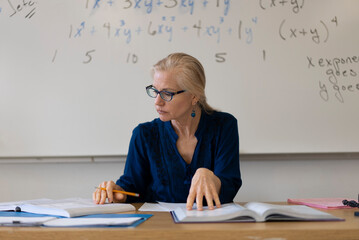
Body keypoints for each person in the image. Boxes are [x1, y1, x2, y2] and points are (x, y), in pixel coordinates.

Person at [93, 53, 242, 210]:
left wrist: (211, 178)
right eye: (155, 91)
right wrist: (118, 192)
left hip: (209, 225)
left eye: (167, 93)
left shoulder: (224, 125)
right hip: (159, 226)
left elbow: (230, 185)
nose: (157, 101)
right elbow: (132, 187)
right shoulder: (144, 134)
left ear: (194, 96)